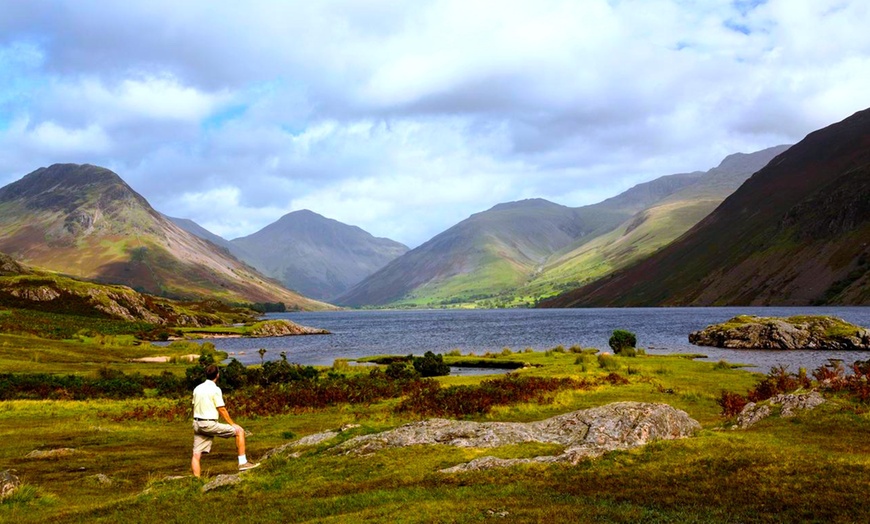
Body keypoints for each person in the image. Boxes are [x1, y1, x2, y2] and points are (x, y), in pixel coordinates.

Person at [191, 364, 259, 476]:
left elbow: (194, 405)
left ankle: (196, 480)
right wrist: (233, 424)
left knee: (196, 454)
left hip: (197, 424)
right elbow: (221, 409)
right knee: (240, 431)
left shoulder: (197, 388)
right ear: (217, 375)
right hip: (208, 424)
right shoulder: (215, 389)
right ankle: (243, 463)